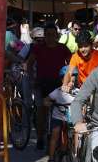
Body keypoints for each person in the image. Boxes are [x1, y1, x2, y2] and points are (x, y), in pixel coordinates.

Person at [28, 23, 71, 151]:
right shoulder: (38, 48)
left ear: (57, 35)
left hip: (58, 84)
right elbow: (29, 64)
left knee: (58, 113)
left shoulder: (62, 48)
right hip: (41, 83)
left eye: (53, 34)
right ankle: (40, 137)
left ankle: (58, 140)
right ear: (45, 36)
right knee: (41, 112)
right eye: (48, 35)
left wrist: (69, 79)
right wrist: (31, 78)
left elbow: (71, 64)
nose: (50, 37)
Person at [44, 65, 76, 162]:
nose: (71, 83)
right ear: (62, 80)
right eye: (69, 81)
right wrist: (50, 104)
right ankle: (51, 159)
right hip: (58, 116)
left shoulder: (77, 92)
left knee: (76, 133)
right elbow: (46, 100)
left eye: (73, 81)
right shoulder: (57, 92)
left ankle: (76, 157)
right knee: (55, 134)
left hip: (71, 118)